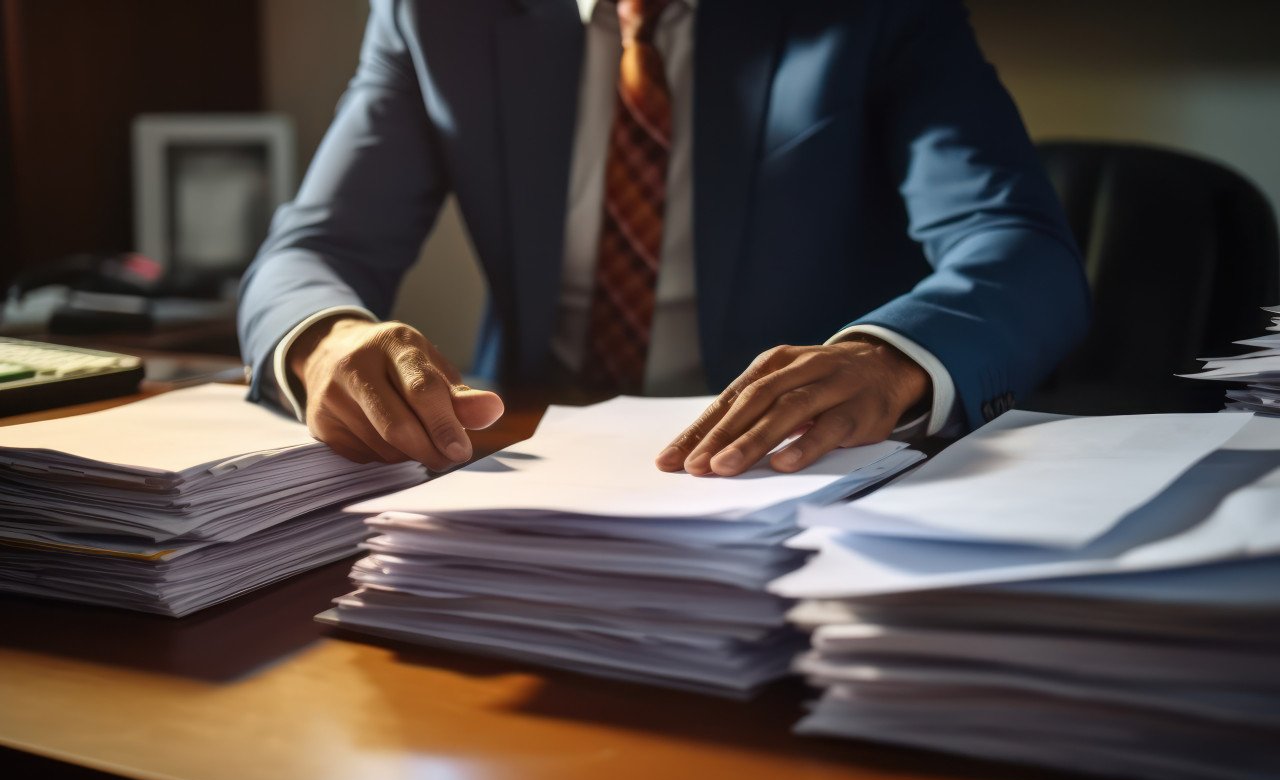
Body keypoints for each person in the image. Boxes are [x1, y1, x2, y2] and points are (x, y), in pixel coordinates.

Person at [238, 0, 1090, 476]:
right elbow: (314, 250)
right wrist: (324, 339)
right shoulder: (435, 15)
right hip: (522, 461)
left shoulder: (876, 13)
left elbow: (1021, 246)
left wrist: (887, 355)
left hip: (789, 473)